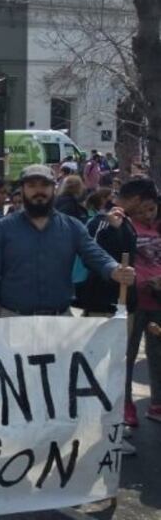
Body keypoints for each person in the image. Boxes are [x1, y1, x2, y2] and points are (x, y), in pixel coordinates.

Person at [0, 165, 136, 317]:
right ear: (23, 190)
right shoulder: (2, 228)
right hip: (12, 318)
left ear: (54, 189)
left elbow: (95, 254)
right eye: (32, 186)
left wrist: (115, 270)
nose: (39, 191)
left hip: (59, 321)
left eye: (45, 185)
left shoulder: (72, 227)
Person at [74, 180, 145, 429]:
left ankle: (114, 419)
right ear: (136, 199)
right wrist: (109, 229)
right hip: (101, 305)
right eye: (147, 205)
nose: (150, 211)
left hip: (126, 305)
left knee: (118, 364)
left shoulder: (127, 223)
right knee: (95, 364)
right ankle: (89, 421)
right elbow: (90, 251)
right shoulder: (101, 221)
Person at [128, 180, 161, 426]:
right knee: (127, 353)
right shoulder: (128, 229)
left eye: (152, 209)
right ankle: (125, 404)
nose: (148, 214)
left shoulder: (157, 230)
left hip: (157, 301)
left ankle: (157, 402)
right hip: (135, 300)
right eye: (143, 210)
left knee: (157, 353)